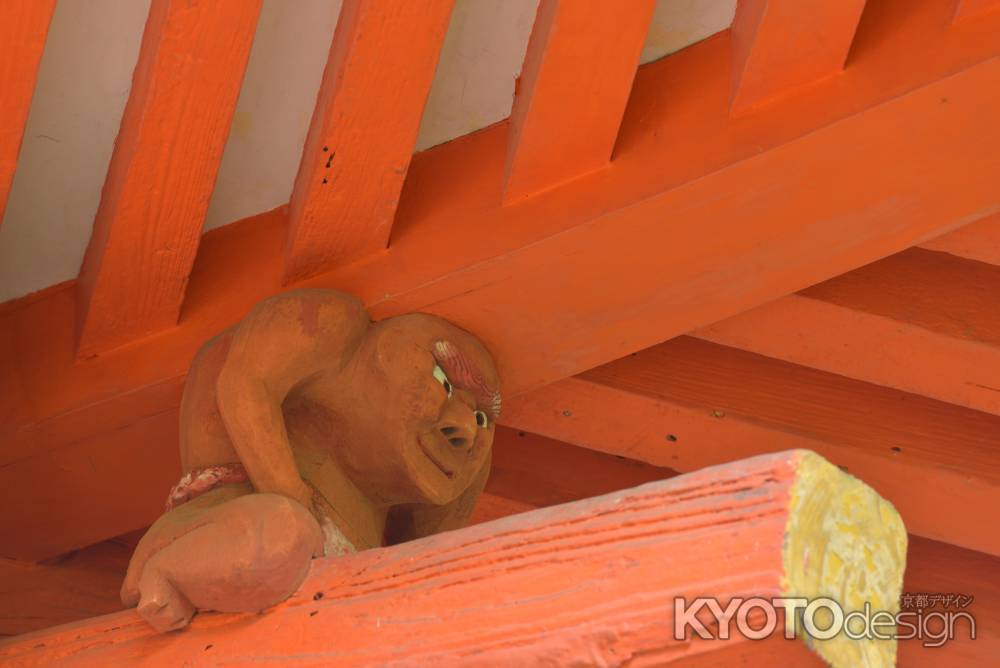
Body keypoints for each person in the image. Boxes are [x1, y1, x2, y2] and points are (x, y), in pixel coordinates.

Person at [121, 289, 501, 632]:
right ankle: (166, 573)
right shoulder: (338, 323)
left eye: (482, 418)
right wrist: (293, 498)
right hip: (230, 525)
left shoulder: (460, 474)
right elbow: (246, 382)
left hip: (335, 596)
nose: (465, 428)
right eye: (443, 379)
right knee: (283, 535)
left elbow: (422, 561)